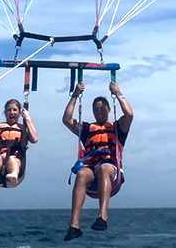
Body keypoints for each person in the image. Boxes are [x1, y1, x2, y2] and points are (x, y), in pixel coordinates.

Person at [61, 82, 133, 241]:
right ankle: (74, 226)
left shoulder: (117, 128)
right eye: (95, 109)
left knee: (103, 169)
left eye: (101, 108)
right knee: (81, 173)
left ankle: (102, 217)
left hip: (111, 173)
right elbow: (66, 119)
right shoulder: (87, 129)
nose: (98, 111)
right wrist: (74, 96)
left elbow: (129, 115)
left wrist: (118, 93)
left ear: (108, 109)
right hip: (92, 174)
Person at [0, 99, 38, 188]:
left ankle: (13, 174)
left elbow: (34, 139)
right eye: (9, 110)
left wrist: (28, 119)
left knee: (12, 158)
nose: (11, 112)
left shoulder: (23, 128)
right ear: (5, 113)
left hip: (16, 172)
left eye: (14, 110)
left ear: (19, 113)